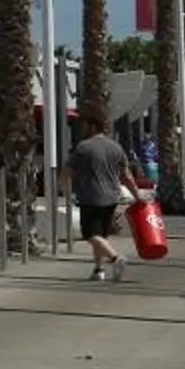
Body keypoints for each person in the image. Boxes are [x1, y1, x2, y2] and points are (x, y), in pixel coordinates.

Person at [64, 111, 144, 283]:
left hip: (90, 197)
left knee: (90, 235)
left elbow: (68, 172)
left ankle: (115, 258)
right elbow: (126, 175)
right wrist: (137, 195)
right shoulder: (116, 147)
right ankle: (98, 270)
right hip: (112, 198)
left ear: (93, 126)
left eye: (86, 125)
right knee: (100, 235)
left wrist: (64, 190)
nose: (83, 128)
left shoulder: (83, 147)